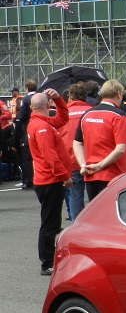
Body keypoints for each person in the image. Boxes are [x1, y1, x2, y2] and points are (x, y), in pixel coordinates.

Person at [27, 89, 71, 275]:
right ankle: (47, 262)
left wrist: (58, 100)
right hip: (50, 180)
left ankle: (50, 258)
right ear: (47, 105)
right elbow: (50, 155)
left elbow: (63, 119)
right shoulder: (42, 127)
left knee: (51, 221)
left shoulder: (40, 122)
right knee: (50, 223)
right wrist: (64, 176)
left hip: (46, 179)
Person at [73, 80, 126, 201]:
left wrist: (83, 165)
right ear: (118, 94)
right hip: (113, 174)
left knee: (96, 213)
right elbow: (120, 149)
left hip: (90, 173)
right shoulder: (119, 116)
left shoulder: (87, 114)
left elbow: (77, 142)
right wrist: (100, 165)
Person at [58, 84, 92, 220]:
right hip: (90, 159)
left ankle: (77, 226)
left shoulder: (63, 113)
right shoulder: (92, 111)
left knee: (75, 196)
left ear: (70, 96)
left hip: (70, 160)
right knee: (96, 196)